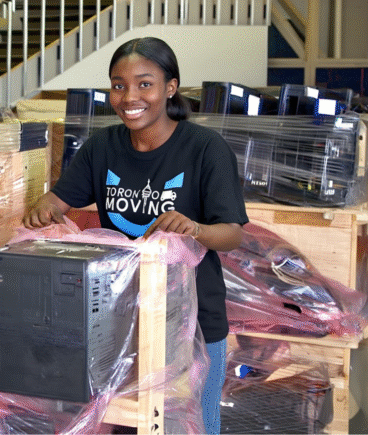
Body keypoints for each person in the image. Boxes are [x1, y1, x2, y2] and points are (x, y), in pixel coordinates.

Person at [23, 37, 248, 434]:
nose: (130, 96)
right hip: (117, 321)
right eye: (118, 85)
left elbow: (231, 234)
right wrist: (45, 209)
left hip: (191, 322)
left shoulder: (205, 149)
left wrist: (194, 228)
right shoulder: (102, 147)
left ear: (170, 88)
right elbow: (57, 199)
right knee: (123, 423)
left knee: (195, 422)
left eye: (145, 84)